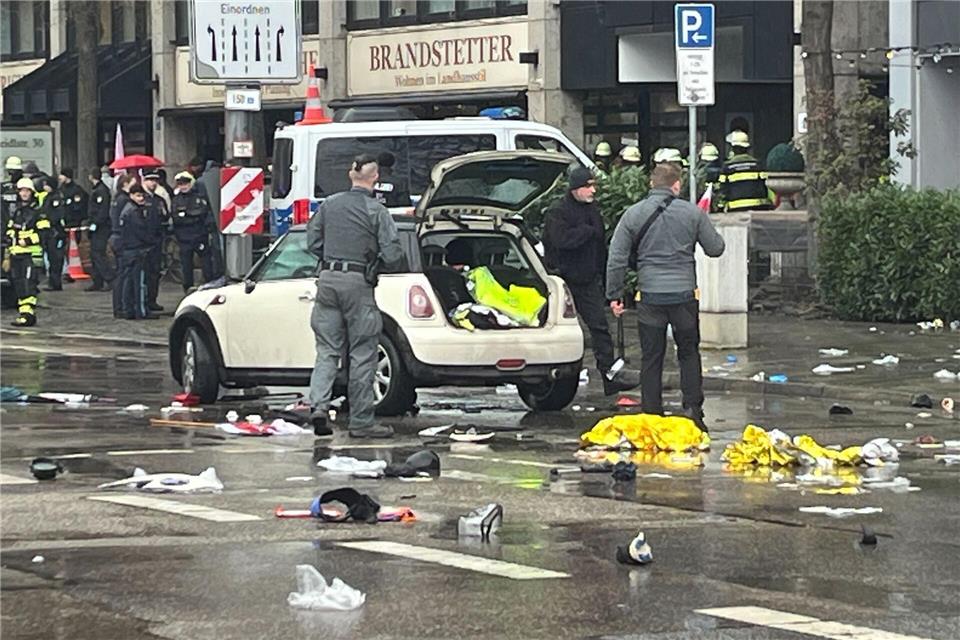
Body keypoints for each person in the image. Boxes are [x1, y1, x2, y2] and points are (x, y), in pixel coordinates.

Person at [605, 163, 725, 430]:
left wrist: (614, 295)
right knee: (688, 353)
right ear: (677, 185)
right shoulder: (693, 213)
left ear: (651, 185)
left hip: (650, 298)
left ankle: (652, 414)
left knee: (652, 356)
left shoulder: (633, 215)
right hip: (684, 296)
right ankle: (693, 409)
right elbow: (715, 248)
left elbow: (616, 259)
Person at [306, 154, 405, 439]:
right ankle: (361, 421)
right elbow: (393, 253)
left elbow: (312, 241)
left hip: (327, 281)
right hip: (358, 283)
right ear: (376, 179)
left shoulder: (330, 205)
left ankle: (319, 407)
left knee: (327, 351)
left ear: (351, 175)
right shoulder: (376, 211)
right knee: (363, 353)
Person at [543, 167, 641, 396]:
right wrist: (586, 232)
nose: (592, 191)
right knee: (557, 328)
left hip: (588, 280)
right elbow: (560, 241)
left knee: (599, 327)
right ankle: (550, 372)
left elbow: (600, 248)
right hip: (563, 281)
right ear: (575, 188)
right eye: (588, 186)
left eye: (593, 186)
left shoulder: (592, 210)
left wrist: (610, 286)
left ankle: (609, 374)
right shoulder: (558, 212)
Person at [5, 178, 44, 326]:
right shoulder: (18, 211)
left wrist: (27, 241)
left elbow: (44, 233)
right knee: (19, 286)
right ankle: (24, 314)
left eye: (27, 191)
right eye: (22, 191)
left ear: (32, 192)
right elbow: (11, 229)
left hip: (30, 256)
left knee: (28, 285)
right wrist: (9, 240)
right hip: (16, 255)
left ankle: (29, 315)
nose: (24, 193)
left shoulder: (38, 211)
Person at [171, 171, 216, 292]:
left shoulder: (198, 197)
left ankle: (209, 283)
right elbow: (176, 218)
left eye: (185, 183)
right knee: (186, 265)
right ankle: (188, 287)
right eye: (180, 184)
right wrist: (190, 216)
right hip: (184, 237)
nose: (183, 186)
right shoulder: (176, 199)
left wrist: (186, 214)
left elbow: (201, 213)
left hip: (199, 235)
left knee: (206, 262)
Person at [117, 185, 156, 320]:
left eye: (142, 196)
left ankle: (129, 309)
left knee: (128, 281)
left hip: (129, 249)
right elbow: (141, 231)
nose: (141, 199)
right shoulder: (133, 212)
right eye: (138, 196)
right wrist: (151, 242)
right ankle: (140, 310)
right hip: (135, 250)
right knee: (138, 282)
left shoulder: (128, 209)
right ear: (132, 195)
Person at [716, 130, 773, 212]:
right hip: (758, 207)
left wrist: (720, 207)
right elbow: (767, 186)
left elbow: (722, 190)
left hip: (736, 209)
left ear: (734, 147)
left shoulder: (727, 167)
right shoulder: (757, 165)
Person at [110, 174, 137, 317]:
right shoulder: (124, 200)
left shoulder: (116, 199)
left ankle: (119, 306)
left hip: (116, 238)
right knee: (123, 274)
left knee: (121, 273)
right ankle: (121, 306)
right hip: (122, 239)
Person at [141, 171, 169, 312]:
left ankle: (152, 300)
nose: (153, 183)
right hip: (144, 242)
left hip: (157, 241)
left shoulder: (159, 200)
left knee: (155, 272)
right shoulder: (141, 199)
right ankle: (143, 300)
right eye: (150, 180)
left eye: (155, 180)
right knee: (144, 274)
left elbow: (165, 217)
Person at [86, 169, 115, 291]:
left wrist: (95, 223)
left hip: (101, 227)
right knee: (94, 254)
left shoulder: (101, 191)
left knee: (98, 254)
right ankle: (97, 281)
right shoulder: (97, 190)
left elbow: (102, 211)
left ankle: (110, 278)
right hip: (95, 226)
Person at [36, 177, 66, 292]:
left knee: (56, 258)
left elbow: (57, 215)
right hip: (48, 233)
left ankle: (56, 283)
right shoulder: (47, 197)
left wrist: (48, 219)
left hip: (56, 233)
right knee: (51, 257)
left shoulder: (56, 198)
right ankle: (52, 282)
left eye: (46, 184)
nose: (44, 186)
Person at [58, 168, 88, 233]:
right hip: (63, 221)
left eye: (62, 175)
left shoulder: (76, 190)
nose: (59, 177)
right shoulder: (60, 189)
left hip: (73, 221)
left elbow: (78, 205)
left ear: (67, 176)